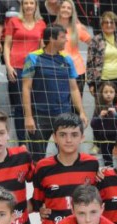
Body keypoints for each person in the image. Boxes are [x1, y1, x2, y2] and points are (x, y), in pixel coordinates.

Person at [22, 25, 88, 162]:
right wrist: (28, 116)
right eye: (63, 37)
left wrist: (81, 111)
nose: (66, 40)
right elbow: (26, 88)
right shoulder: (33, 58)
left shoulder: (67, 59)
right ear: (52, 39)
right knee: (37, 158)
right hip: (40, 115)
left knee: (68, 156)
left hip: (63, 114)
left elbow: (74, 88)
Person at [3, 0, 46, 147]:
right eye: (26, 3)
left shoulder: (41, 24)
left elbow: (42, 48)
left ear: (36, 6)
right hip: (16, 68)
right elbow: (7, 44)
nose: (28, 6)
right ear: (22, 6)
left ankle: (34, 141)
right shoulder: (14, 21)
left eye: (31, 3)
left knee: (33, 105)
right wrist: (8, 66)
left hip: (34, 69)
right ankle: (21, 142)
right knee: (20, 107)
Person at [86, 11, 117, 95]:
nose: (109, 25)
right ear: (102, 25)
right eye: (106, 22)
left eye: (112, 22)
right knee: (102, 107)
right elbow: (90, 63)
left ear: (116, 25)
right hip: (101, 81)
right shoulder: (96, 40)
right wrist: (91, 84)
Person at [53, 0, 92, 93]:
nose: (66, 10)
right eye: (63, 7)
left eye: (69, 8)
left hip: (77, 70)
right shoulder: (52, 28)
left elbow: (94, 44)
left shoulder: (78, 28)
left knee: (75, 106)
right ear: (59, 10)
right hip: (57, 70)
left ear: (72, 12)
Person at [90, 82, 117, 166]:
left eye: (111, 92)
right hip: (104, 139)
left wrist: (116, 115)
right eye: (106, 92)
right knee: (107, 161)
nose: (108, 94)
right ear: (101, 93)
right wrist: (100, 116)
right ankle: (109, 173)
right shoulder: (98, 108)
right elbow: (92, 124)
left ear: (115, 93)